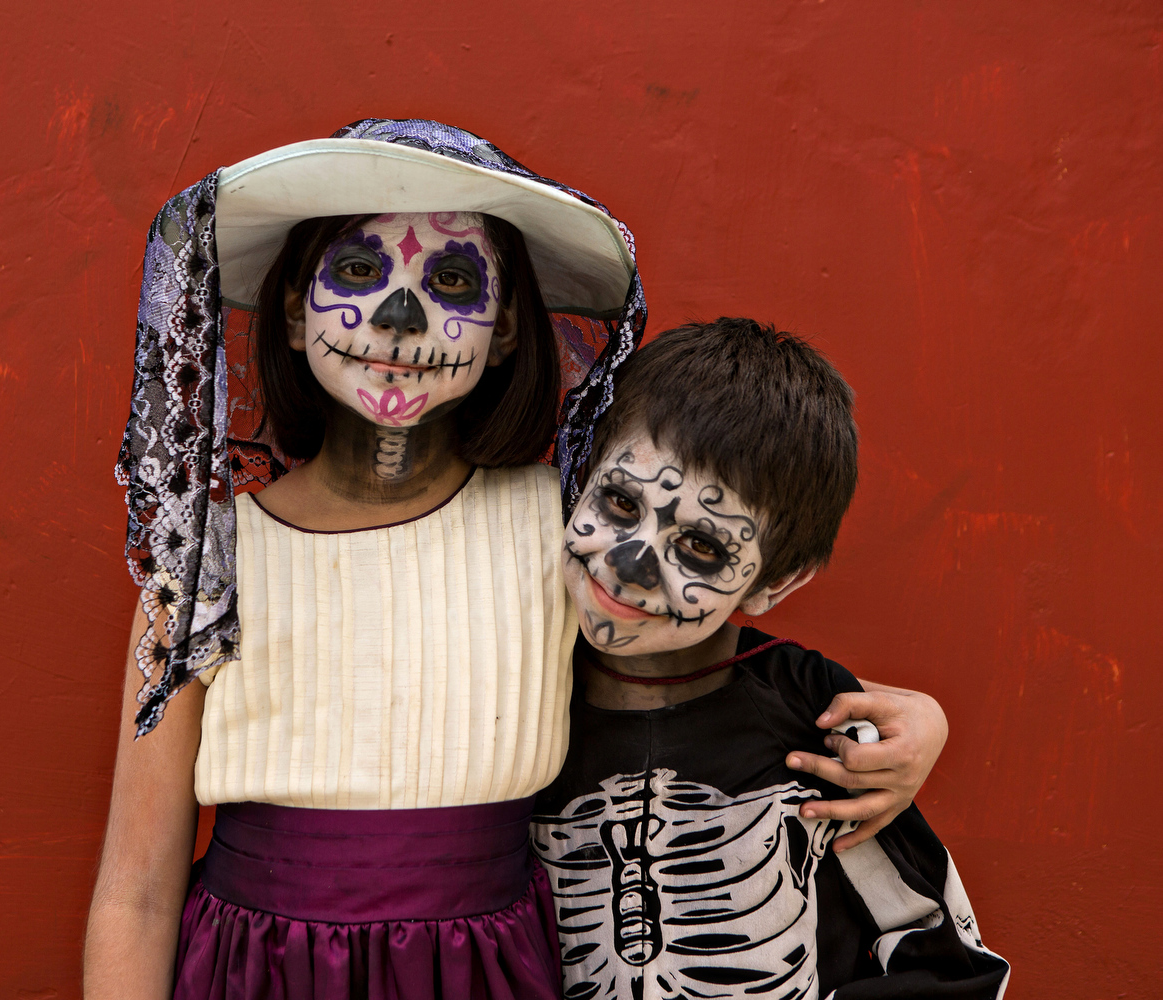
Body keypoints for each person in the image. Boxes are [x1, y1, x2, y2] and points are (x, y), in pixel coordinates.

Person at [86, 121, 951, 1000]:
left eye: (453, 280)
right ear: (291, 308)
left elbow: (695, 654)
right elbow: (137, 890)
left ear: (503, 330)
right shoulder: (201, 565)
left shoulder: (562, 529)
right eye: (356, 272)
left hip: (490, 974)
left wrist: (917, 726)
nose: (397, 317)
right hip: (255, 975)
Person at [532, 318, 1010, 1000]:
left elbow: (950, 963)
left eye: (700, 546)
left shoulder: (819, 727)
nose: (629, 566)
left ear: (774, 584)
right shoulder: (511, 680)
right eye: (617, 502)